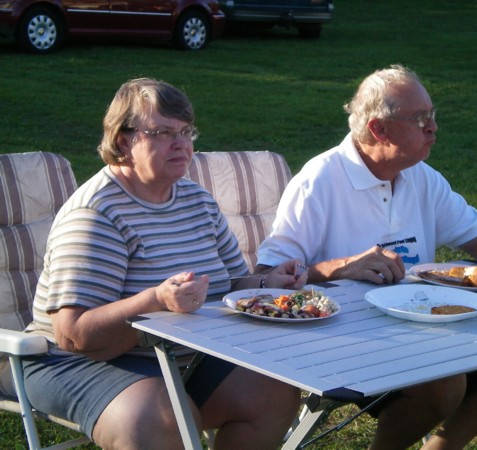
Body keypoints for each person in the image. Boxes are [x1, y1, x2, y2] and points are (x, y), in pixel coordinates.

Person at [256, 64, 477, 449]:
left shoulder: (421, 176)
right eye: (420, 119)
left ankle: (444, 445)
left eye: (432, 115)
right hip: (345, 340)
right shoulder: (319, 181)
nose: (433, 127)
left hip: (426, 333)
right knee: (444, 380)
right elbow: (269, 275)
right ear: (378, 129)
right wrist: (343, 267)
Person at [22, 78, 304, 450]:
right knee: (160, 419)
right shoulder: (97, 212)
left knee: (274, 390)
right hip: (74, 362)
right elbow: (74, 335)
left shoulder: (196, 199)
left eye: (186, 132)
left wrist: (266, 285)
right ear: (124, 141)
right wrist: (155, 300)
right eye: (163, 133)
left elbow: (232, 283)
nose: (182, 144)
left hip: (179, 353)